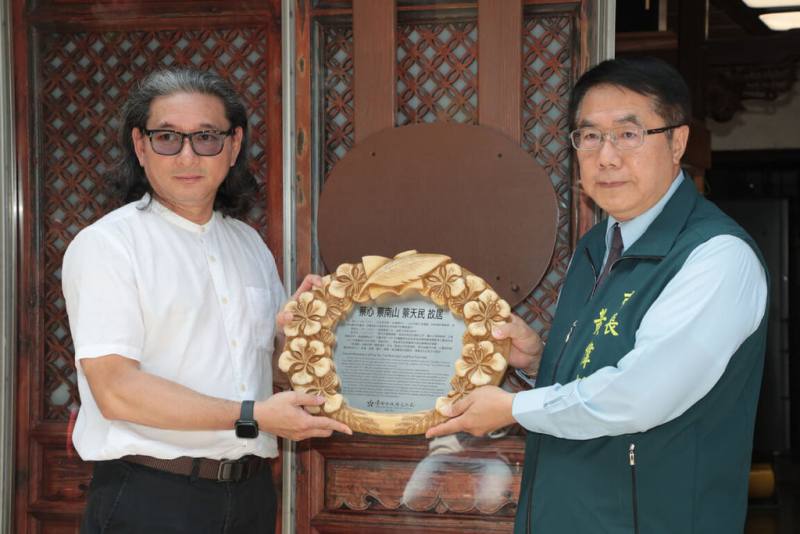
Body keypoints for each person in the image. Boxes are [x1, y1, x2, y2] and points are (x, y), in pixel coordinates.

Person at [427, 57, 768, 534]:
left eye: (628, 134)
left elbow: (639, 395)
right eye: (589, 136)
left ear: (678, 142)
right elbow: (602, 371)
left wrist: (511, 409)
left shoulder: (716, 257)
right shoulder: (597, 245)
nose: (605, 156)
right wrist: (537, 363)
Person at [62, 68, 351, 534]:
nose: (187, 155)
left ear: (233, 146)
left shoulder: (249, 245)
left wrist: (294, 336)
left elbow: (265, 372)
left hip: (251, 496)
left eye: (207, 138)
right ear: (140, 146)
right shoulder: (109, 245)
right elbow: (115, 389)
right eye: (167, 138)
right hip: (152, 498)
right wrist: (252, 416)